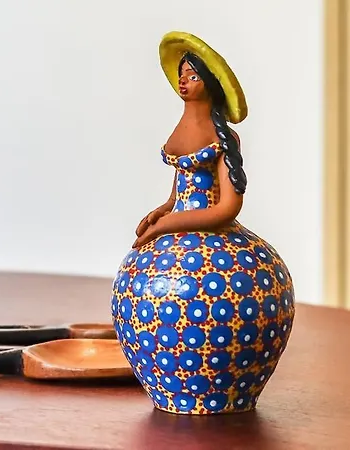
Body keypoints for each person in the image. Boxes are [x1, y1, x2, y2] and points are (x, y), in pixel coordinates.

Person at [111, 31, 295, 415]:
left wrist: (168, 226)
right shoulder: (181, 132)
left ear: (209, 84)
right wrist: (164, 210)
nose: (183, 82)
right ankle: (171, 392)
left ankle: (229, 396)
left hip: (218, 238)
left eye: (192, 76)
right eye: (182, 75)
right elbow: (180, 186)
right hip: (176, 226)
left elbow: (227, 208)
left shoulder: (225, 139)